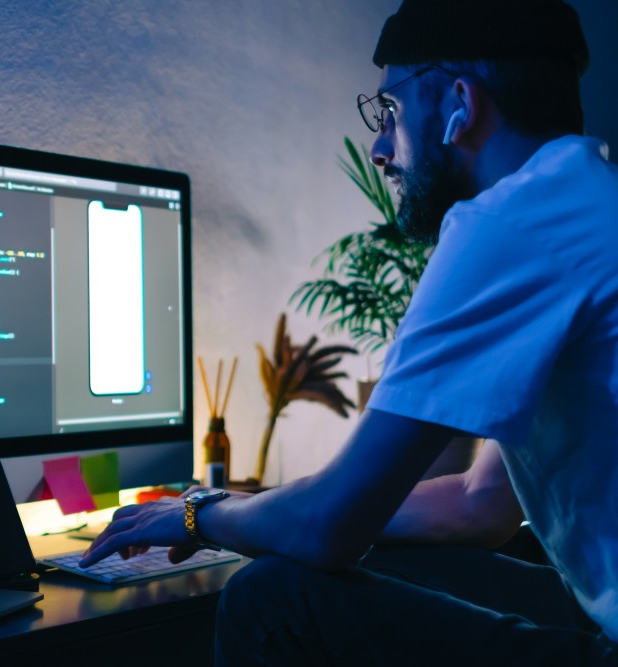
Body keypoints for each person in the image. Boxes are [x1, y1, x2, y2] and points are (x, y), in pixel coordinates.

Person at [80, 0, 618, 664]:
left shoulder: (512, 223)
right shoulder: (583, 195)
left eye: (389, 112)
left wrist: (200, 513)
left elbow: (331, 526)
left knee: (271, 597)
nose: (381, 148)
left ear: (459, 102)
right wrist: (266, 507)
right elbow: (481, 504)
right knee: (385, 564)